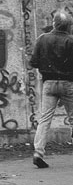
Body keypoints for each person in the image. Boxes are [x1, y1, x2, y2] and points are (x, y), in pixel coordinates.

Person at [29, 9, 73, 168]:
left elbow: (33, 62)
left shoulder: (42, 39)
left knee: (45, 119)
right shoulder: (71, 40)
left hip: (48, 83)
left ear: (54, 23)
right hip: (68, 83)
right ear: (69, 26)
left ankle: (38, 152)